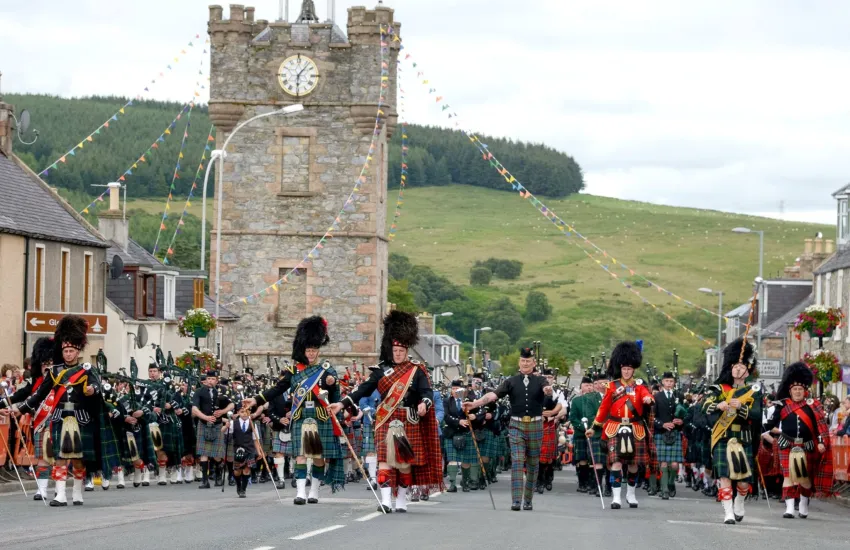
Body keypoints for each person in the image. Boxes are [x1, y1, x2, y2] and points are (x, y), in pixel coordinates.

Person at [2, 316, 122, 507]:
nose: (68, 354)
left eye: (71, 351)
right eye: (65, 350)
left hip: (80, 419)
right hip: (59, 418)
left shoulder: (87, 370)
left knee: (78, 459)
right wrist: (19, 408)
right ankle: (60, 495)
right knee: (59, 457)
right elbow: (39, 394)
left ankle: (77, 493)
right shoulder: (55, 371)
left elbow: (96, 388)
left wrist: (91, 390)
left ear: (77, 352)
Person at [334, 311, 443, 513]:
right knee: (384, 461)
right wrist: (342, 404)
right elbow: (362, 389)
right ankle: (385, 501)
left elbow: (427, 392)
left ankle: (401, 500)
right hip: (386, 418)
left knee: (404, 464)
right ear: (390, 349)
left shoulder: (416, 370)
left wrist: (424, 403)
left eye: (401, 350)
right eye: (395, 350)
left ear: (406, 349)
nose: (398, 353)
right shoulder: (381, 370)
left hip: (408, 419)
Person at [243, 316, 345, 505]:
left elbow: (335, 394)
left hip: (319, 415)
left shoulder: (326, 370)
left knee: (318, 456)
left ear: (318, 350)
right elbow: (276, 389)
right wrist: (256, 400)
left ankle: (314, 490)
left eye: (314, 350)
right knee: (300, 454)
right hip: (300, 416)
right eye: (308, 350)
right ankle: (300, 493)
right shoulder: (293, 371)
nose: (311, 354)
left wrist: (331, 384)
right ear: (303, 350)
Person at [463, 347, 553, 511]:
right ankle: (516, 500)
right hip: (516, 424)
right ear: (519, 362)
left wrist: (548, 390)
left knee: (533, 464)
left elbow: (547, 389)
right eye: (523, 361)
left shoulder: (541, 381)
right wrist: (475, 404)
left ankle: (528, 499)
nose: (525, 364)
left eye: (528, 361)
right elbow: (493, 396)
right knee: (518, 461)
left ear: (533, 363)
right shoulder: (510, 381)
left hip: (535, 424)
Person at [586, 341, 654, 510]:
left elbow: (647, 395)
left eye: (629, 369)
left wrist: (648, 399)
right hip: (615, 428)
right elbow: (604, 408)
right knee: (615, 463)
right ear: (620, 368)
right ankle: (616, 497)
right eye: (624, 368)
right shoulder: (612, 386)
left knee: (633, 464)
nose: (626, 371)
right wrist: (593, 428)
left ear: (634, 369)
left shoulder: (639, 386)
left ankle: (630, 494)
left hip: (635, 428)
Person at [702, 337, 762, 525]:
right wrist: (718, 404)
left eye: (741, 366)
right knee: (725, 476)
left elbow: (757, 414)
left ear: (747, 370)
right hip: (723, 437)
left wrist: (741, 407)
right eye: (734, 365)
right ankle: (728, 512)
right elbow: (705, 405)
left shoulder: (753, 392)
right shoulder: (719, 388)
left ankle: (739, 501)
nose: (737, 369)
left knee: (744, 481)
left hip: (743, 438)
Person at [763, 362, 833, 519]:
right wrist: (761, 431)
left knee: (804, 477)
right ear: (790, 390)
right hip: (786, 444)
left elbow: (821, 428)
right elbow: (770, 424)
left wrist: (821, 442)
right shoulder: (782, 406)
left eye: (800, 389)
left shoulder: (812, 406)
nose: (797, 392)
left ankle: (803, 504)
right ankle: (789, 509)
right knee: (788, 476)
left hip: (806, 445)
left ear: (805, 391)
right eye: (794, 389)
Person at [3, 337, 55, 500]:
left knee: (62, 457)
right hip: (41, 421)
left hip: (60, 420)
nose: (47, 366)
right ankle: (42, 489)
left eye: (50, 362)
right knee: (41, 456)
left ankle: (65, 491)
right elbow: (20, 395)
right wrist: (3, 404)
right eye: (44, 363)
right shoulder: (36, 381)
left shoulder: (62, 379)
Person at [191, 371, 233, 489]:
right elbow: (194, 409)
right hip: (204, 424)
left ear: (216, 380)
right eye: (208, 378)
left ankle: (219, 475)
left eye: (212, 379)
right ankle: (205, 481)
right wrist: (206, 418)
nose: (210, 381)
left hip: (218, 425)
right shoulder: (199, 392)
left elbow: (232, 405)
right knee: (204, 453)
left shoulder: (220, 392)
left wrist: (222, 412)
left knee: (217, 455)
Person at [569, 376, 604, 496]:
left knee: (592, 459)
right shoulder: (576, 401)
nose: (588, 388)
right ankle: (582, 483)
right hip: (580, 433)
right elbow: (573, 417)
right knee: (582, 459)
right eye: (586, 385)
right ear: (581, 387)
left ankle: (592, 483)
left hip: (593, 431)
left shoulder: (596, 399)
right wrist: (582, 427)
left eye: (590, 385)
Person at [653, 371, 684, 500]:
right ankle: (664, 489)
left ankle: (671, 483)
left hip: (675, 433)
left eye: (671, 381)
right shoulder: (656, 397)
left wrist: (681, 421)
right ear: (662, 383)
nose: (669, 384)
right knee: (663, 463)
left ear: (674, 383)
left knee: (675, 464)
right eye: (667, 381)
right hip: (661, 433)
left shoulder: (679, 396)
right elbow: (652, 417)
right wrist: (662, 424)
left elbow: (686, 414)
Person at [224, 406, 257, 498]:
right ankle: (238, 485)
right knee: (237, 472)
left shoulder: (252, 424)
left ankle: (243, 489)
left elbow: (255, 439)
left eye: (247, 412)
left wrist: (259, 452)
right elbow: (225, 433)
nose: (245, 413)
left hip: (249, 450)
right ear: (238, 413)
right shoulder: (233, 423)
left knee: (247, 470)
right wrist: (226, 427)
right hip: (238, 450)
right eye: (242, 412)